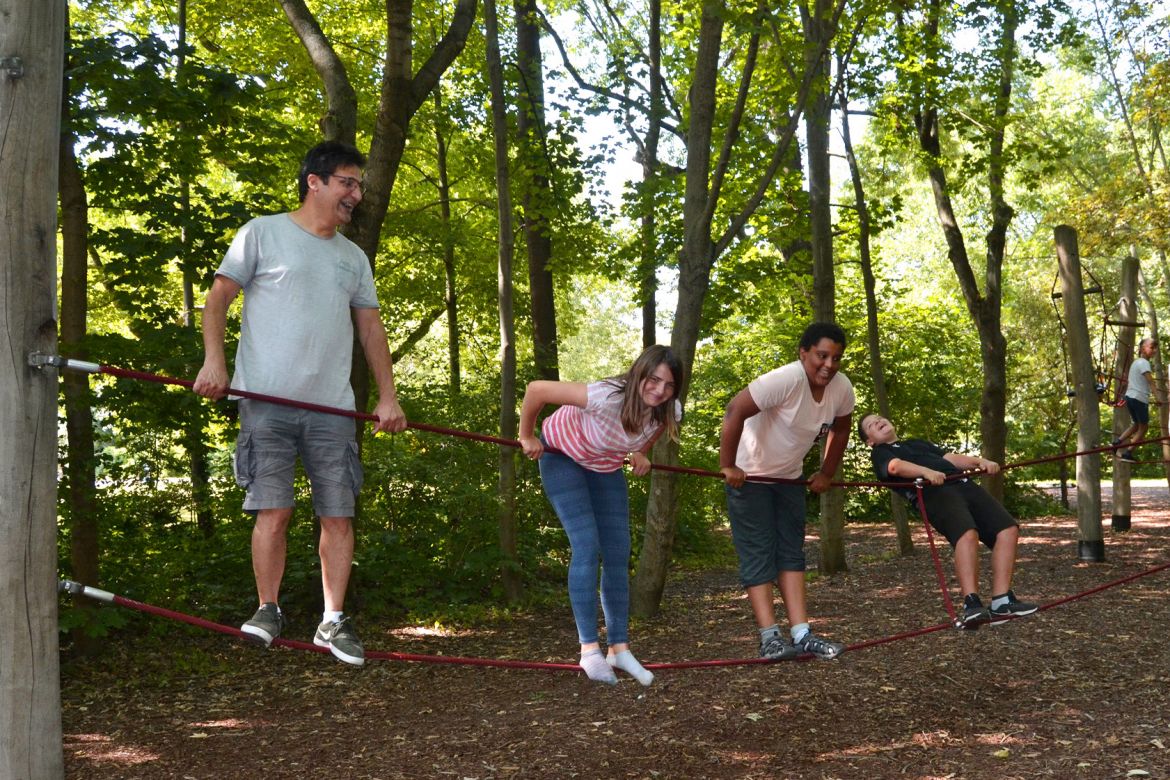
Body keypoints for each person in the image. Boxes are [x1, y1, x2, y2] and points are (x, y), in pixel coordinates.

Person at [193, 141, 407, 667]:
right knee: (275, 508)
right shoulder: (262, 233)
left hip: (333, 407)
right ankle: (269, 608)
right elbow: (218, 297)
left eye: (358, 185)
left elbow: (370, 327)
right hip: (265, 400)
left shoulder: (352, 257)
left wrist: (387, 396)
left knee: (338, 513)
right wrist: (214, 364)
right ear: (315, 181)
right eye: (348, 183)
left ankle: (332, 620)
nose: (356, 194)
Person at [518, 345, 683, 686]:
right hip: (561, 454)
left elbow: (647, 433)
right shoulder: (605, 396)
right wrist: (527, 435)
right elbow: (537, 390)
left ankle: (619, 649)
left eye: (668, 385)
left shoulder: (669, 410)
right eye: (653, 380)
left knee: (619, 552)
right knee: (587, 546)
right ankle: (590, 650)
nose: (659, 390)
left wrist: (639, 451)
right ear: (639, 375)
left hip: (603, 466)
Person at [719, 322, 854, 661]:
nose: (829, 364)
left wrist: (825, 471)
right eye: (822, 356)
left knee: (791, 553)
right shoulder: (784, 380)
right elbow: (734, 410)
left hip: (789, 479)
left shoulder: (841, 388)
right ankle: (770, 638)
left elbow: (842, 427)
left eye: (836, 358)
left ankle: (802, 633)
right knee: (758, 552)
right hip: (749, 479)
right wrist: (729, 464)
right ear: (804, 352)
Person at [858, 413, 1038, 628]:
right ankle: (972, 604)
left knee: (1007, 529)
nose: (878, 421)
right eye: (871, 424)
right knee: (967, 533)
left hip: (962, 483)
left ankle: (1001, 600)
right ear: (869, 441)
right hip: (934, 492)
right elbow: (895, 467)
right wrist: (926, 472)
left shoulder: (916, 443)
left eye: (879, 418)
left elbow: (950, 458)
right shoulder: (880, 453)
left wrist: (980, 461)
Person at [1116, 337, 1158, 463]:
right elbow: (1151, 382)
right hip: (1139, 398)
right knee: (1144, 428)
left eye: (1155, 348)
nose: (1154, 350)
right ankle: (1128, 453)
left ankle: (1116, 443)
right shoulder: (1144, 363)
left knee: (1136, 424)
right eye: (1151, 347)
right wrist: (1158, 398)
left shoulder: (1136, 362)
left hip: (1130, 397)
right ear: (1142, 349)